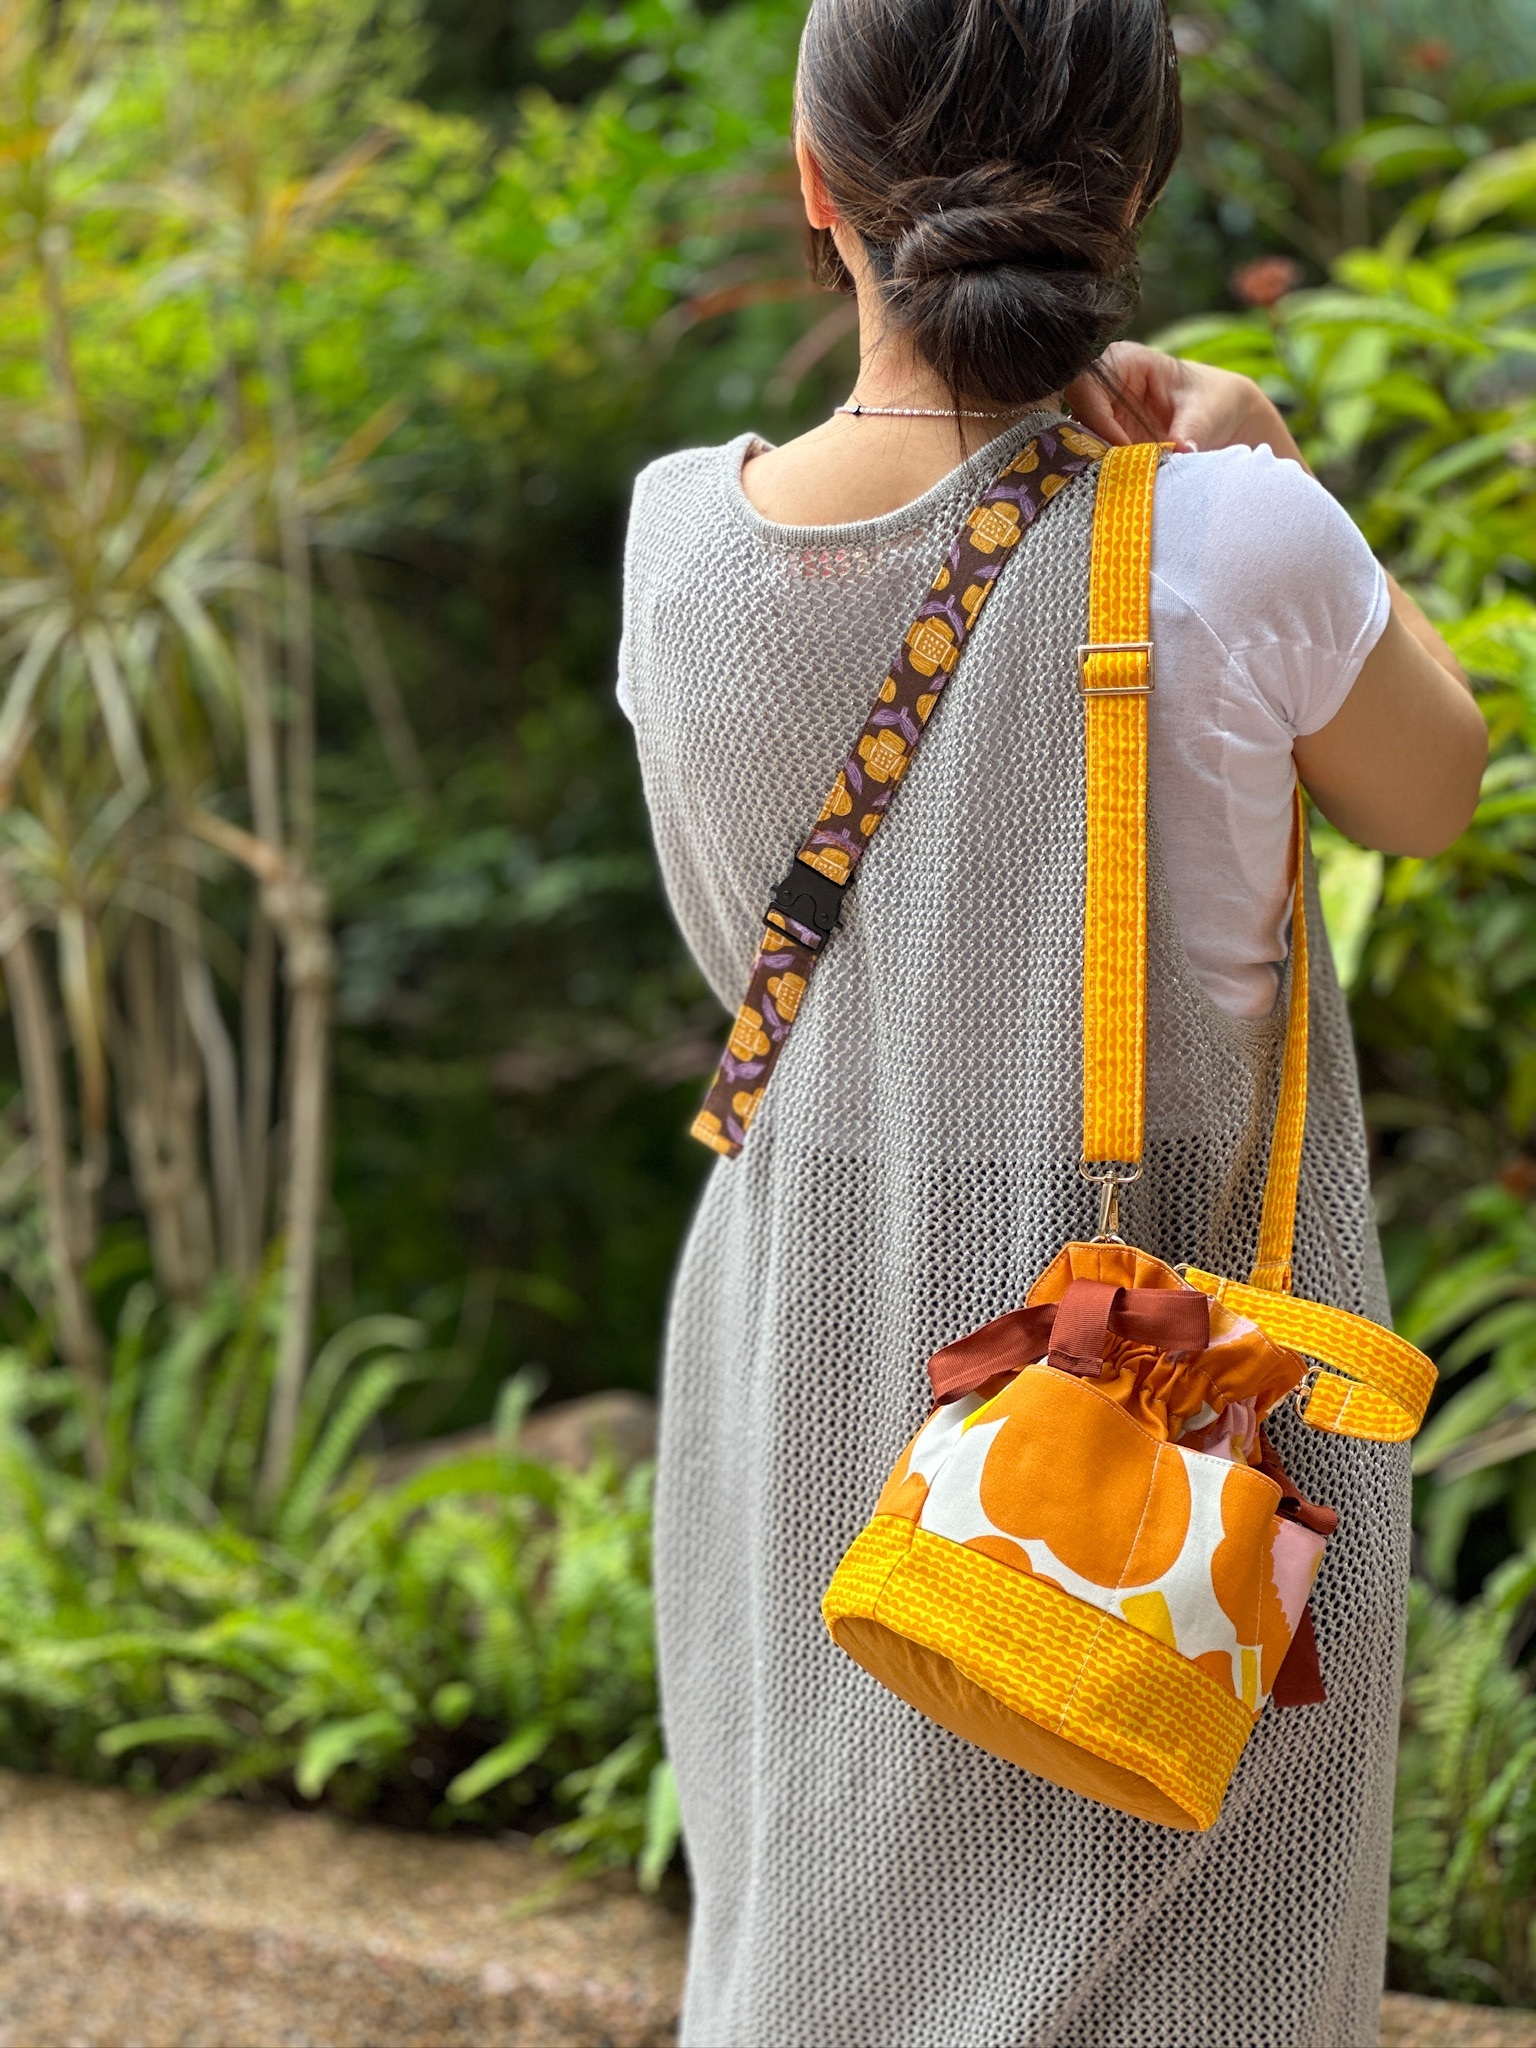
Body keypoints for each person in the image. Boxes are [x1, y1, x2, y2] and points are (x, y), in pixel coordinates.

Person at [616, 0, 1487, 2040]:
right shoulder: (1228, 525)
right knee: (1199, 1958)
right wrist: (1261, 455)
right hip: (1165, 1389)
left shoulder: (682, 545)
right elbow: (1433, 793)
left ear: (819, 188)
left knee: (818, 1954)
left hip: (811, 1336)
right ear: (1139, 193)